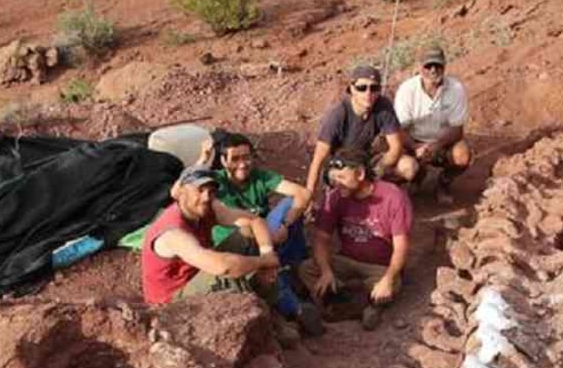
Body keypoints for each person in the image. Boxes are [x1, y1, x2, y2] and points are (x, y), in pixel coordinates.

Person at [203, 132, 323, 335]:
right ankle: (293, 309)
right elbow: (186, 186)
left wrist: (285, 224)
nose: (242, 164)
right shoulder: (215, 183)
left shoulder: (259, 176)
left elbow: (302, 193)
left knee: (290, 205)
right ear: (223, 161)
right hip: (237, 246)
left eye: (246, 157)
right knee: (259, 258)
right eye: (235, 159)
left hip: (265, 238)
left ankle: (296, 269)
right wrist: (203, 161)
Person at [299, 149, 412, 331]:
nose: (337, 183)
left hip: (379, 267)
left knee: (390, 284)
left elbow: (401, 246)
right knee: (307, 269)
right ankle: (362, 305)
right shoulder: (335, 197)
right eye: (334, 179)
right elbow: (321, 239)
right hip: (346, 260)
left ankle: (345, 302)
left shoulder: (393, 196)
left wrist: (389, 278)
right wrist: (326, 271)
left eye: (341, 178)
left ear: (360, 174)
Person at [141, 164, 280, 306]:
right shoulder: (173, 233)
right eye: (200, 190)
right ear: (182, 192)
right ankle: (261, 305)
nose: (206, 197)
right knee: (227, 276)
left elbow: (255, 221)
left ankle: (269, 294)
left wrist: (267, 254)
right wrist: (263, 261)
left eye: (211, 191)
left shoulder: (207, 207)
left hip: (198, 274)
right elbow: (223, 267)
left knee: (248, 233)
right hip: (172, 300)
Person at [306, 65, 410, 197]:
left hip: (367, 160)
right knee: (349, 187)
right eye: (362, 88)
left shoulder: (383, 106)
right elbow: (318, 159)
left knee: (408, 166)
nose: (368, 93)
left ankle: (387, 196)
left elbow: (396, 146)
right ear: (351, 89)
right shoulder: (338, 114)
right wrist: (309, 194)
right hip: (342, 163)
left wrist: (378, 170)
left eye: (374, 88)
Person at [394, 46, 472, 205]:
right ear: (419, 67)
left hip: (443, 142)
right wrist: (415, 147)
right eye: (428, 66)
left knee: (463, 155)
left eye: (437, 65)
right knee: (404, 164)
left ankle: (444, 183)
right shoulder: (407, 90)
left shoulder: (456, 88)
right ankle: (416, 177)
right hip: (413, 142)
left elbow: (457, 129)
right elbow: (399, 129)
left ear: (444, 66)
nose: (433, 70)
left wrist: (437, 145)